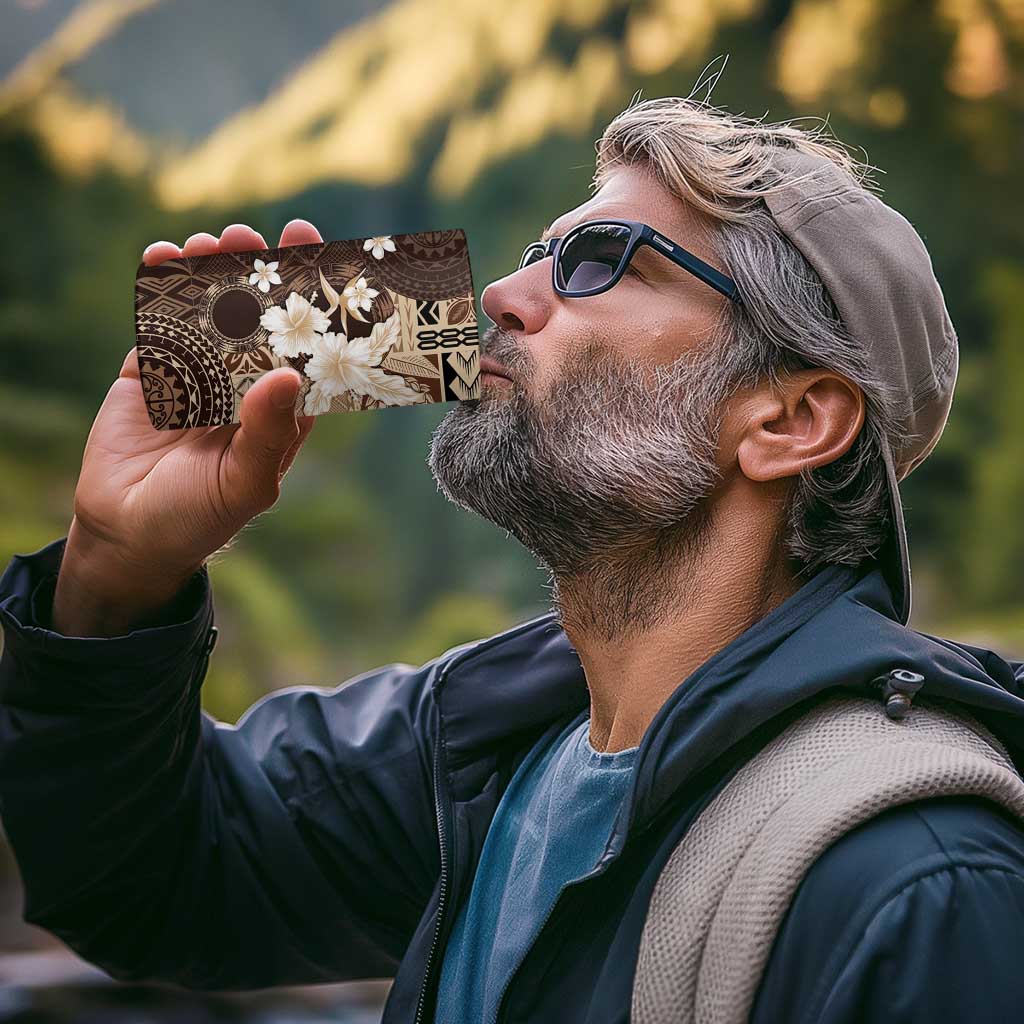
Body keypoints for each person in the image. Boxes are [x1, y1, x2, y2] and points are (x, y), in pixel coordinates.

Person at [2, 95, 1024, 1024]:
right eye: (540, 252)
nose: (501, 291)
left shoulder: (918, 884)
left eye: (600, 261)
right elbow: (149, 880)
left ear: (791, 420)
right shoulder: (480, 747)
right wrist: (116, 571)